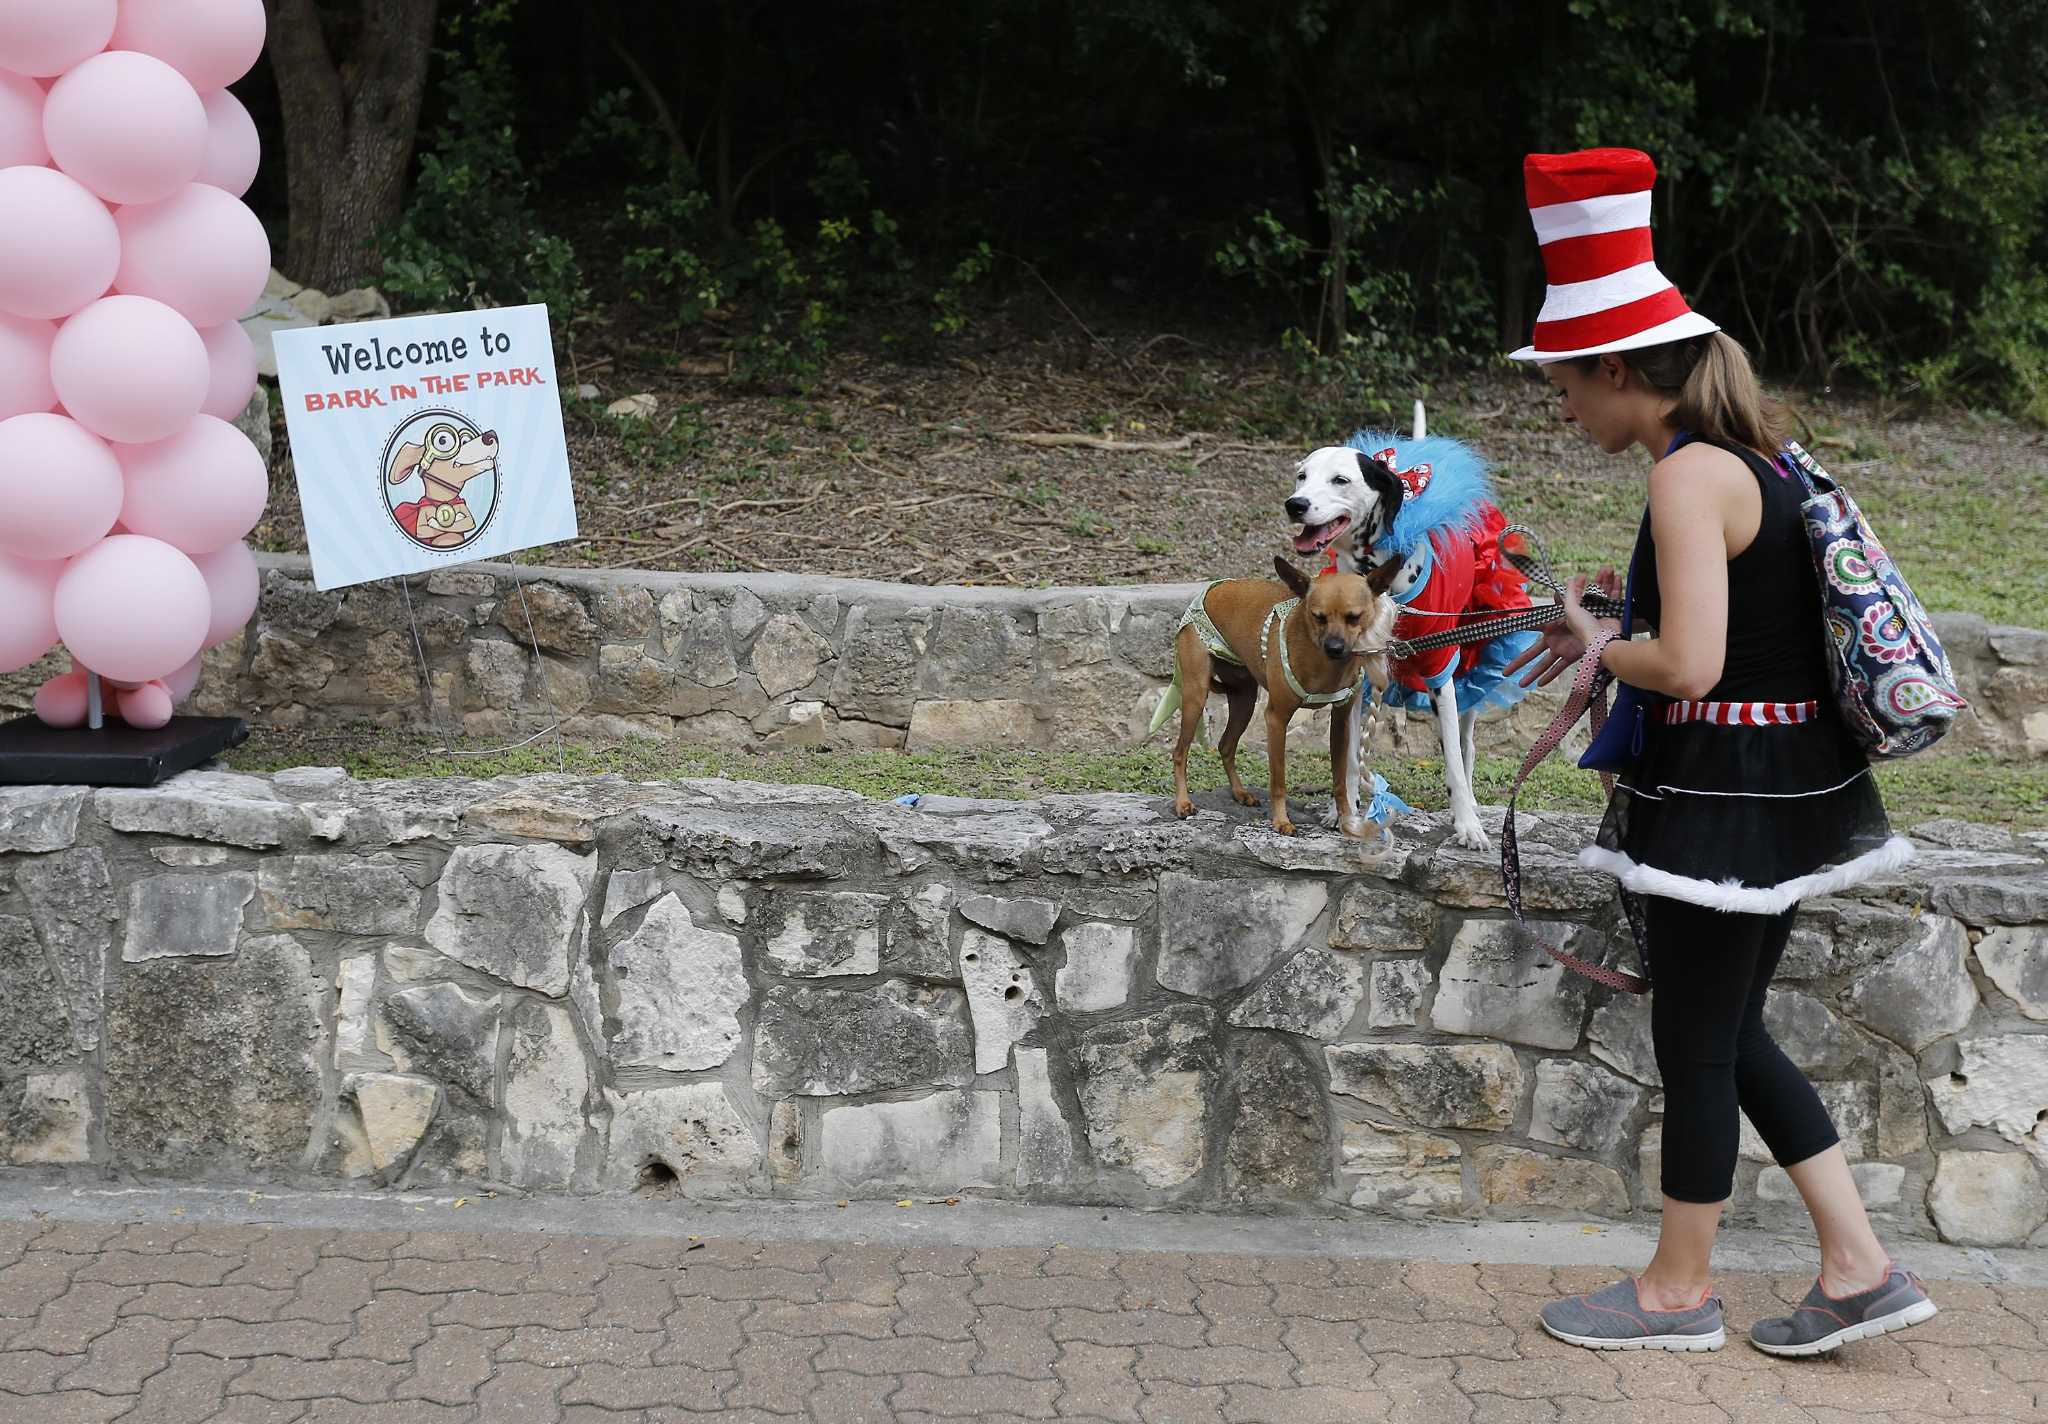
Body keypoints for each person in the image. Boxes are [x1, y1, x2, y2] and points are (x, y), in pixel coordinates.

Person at [1501, 147, 1934, 1356]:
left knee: (1695, 1037)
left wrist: (1596, 645)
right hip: (1786, 794)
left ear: (1620, 368)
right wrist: (1613, 628)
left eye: (1563, 387)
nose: (1564, 410)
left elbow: (1687, 663)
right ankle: (1856, 1265)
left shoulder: (1687, 475)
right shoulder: (1761, 465)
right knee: (1727, 1027)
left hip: (1716, 804)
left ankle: (1672, 1292)